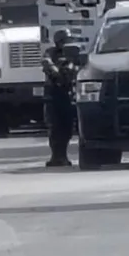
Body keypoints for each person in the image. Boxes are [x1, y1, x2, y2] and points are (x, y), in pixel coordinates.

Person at [42, 28, 80, 168]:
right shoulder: (51, 52)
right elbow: (46, 63)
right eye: (64, 41)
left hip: (69, 93)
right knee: (55, 127)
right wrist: (57, 73)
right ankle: (56, 156)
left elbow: (77, 66)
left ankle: (63, 156)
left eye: (68, 40)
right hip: (54, 93)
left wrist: (70, 69)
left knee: (67, 127)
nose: (66, 43)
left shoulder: (74, 53)